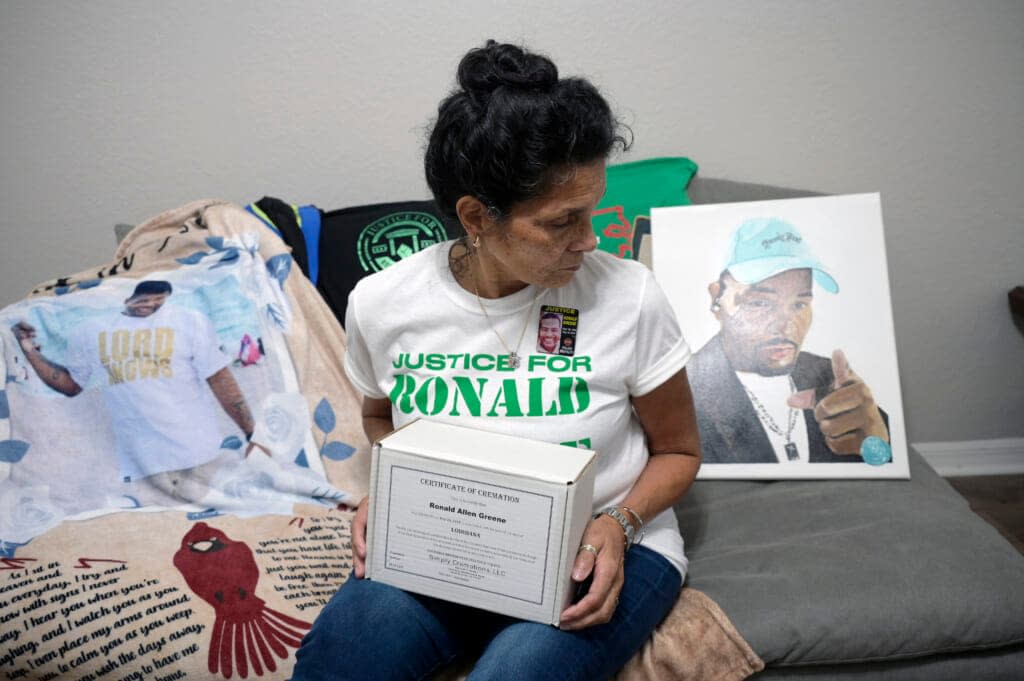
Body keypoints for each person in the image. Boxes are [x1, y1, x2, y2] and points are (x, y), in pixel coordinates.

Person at [292, 41, 701, 681]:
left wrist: (618, 525)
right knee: (340, 662)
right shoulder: (383, 303)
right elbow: (378, 418)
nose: (589, 239)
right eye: (563, 221)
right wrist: (396, 488)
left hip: (591, 547)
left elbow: (679, 453)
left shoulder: (628, 297)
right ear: (477, 217)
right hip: (446, 544)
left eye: (590, 210)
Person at [11, 280, 266, 485]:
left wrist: (252, 434)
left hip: (201, 453)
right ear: (124, 299)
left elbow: (219, 377)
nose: (152, 306)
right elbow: (69, 385)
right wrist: (29, 350)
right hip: (141, 467)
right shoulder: (90, 331)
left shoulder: (189, 321)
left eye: (159, 301)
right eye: (144, 300)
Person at [687, 218, 890, 464]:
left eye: (799, 304)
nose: (786, 325)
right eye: (760, 302)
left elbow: (882, 460)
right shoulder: (686, 387)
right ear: (716, 299)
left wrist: (876, 444)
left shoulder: (830, 378)